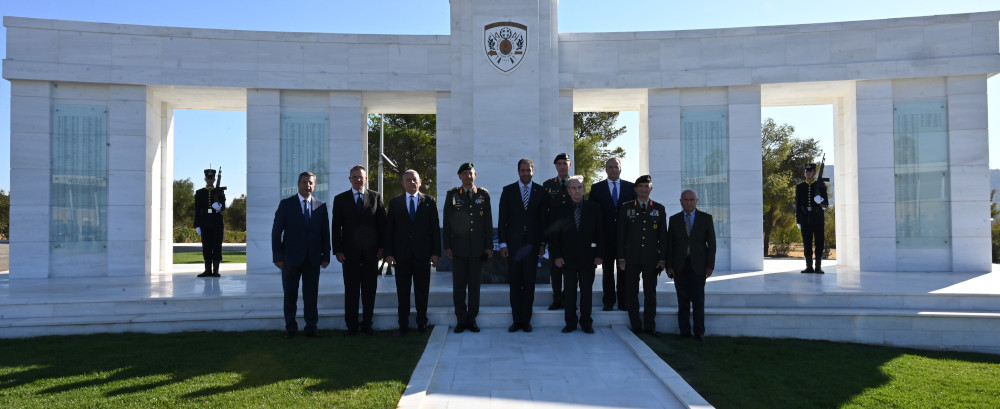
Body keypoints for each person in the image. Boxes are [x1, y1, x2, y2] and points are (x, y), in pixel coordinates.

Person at [271, 171, 331, 338]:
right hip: (290, 260)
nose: (308, 186)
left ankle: (311, 327)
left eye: (311, 183)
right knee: (290, 295)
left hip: (313, 259)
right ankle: (291, 328)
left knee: (311, 296)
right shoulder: (286, 204)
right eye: (304, 182)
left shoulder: (321, 205)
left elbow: (325, 233)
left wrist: (326, 255)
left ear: (315, 185)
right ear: (298, 184)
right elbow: (276, 232)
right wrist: (277, 257)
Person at [384, 170, 441, 334]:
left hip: (423, 255)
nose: (411, 183)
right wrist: (388, 253)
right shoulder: (395, 203)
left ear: (420, 182)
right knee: (402, 291)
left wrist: (436, 253)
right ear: (403, 183)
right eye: (408, 180)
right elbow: (389, 230)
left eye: (414, 180)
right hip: (401, 256)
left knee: (422, 291)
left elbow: (435, 229)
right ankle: (403, 323)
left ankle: (422, 322)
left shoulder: (429, 201)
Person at [332, 165, 386, 335]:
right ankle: (352, 325)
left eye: (361, 177)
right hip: (349, 254)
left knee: (370, 291)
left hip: (372, 254)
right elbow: (335, 227)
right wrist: (337, 250)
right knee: (351, 291)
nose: (358, 180)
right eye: (354, 177)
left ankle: (367, 324)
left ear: (366, 179)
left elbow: (382, 226)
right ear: (350, 179)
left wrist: (382, 248)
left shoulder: (376, 197)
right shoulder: (340, 199)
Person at [498, 158, 548, 333]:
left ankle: (526, 320)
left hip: (533, 246)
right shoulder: (508, 191)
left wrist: (543, 243)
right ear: (518, 171)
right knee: (514, 282)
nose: (526, 173)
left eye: (529, 170)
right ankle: (516, 319)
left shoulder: (541, 191)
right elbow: (502, 219)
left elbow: (543, 220)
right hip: (513, 246)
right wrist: (503, 243)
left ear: (533, 171)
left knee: (529, 283)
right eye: (523, 170)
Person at [442, 162, 493, 333]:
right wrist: (447, 246)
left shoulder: (483, 195)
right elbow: (447, 222)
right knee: (459, 286)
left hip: (477, 249)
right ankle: (461, 319)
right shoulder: (453, 195)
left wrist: (489, 246)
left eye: (470, 173)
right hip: (458, 248)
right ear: (460, 176)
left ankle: (472, 319)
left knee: (474, 286)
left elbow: (488, 222)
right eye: (464, 173)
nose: (468, 176)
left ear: (475, 175)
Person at [550, 176, 603, 334]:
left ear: (584, 189)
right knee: (570, 291)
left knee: (587, 292)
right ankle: (570, 323)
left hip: (589, 258)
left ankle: (586, 323)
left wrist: (599, 253)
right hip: (568, 259)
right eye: (573, 188)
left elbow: (600, 234)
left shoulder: (595, 208)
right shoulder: (560, 209)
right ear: (568, 190)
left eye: (579, 187)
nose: (577, 191)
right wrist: (557, 256)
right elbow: (555, 236)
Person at [617, 175, 667, 336]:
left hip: (651, 259)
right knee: (631, 292)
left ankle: (650, 327)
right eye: (641, 186)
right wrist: (621, 258)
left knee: (650, 293)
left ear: (651, 189)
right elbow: (621, 235)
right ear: (635, 189)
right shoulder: (626, 207)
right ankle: (636, 326)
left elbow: (663, 237)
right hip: (631, 258)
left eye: (647, 186)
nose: (644, 189)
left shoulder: (658, 208)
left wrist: (662, 259)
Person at [666, 189, 716, 342]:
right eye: (685, 200)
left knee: (698, 300)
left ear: (696, 201)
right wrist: (669, 266)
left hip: (699, 266)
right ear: (681, 201)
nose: (688, 202)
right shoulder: (674, 220)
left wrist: (710, 265)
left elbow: (712, 244)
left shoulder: (706, 218)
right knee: (683, 301)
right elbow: (669, 245)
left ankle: (699, 332)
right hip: (679, 266)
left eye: (691, 200)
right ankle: (684, 331)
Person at [589, 157, 636, 311]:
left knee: (624, 271)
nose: (613, 169)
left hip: (626, 239)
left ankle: (623, 302)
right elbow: (593, 216)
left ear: (620, 168)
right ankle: (608, 302)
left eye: (616, 166)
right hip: (605, 238)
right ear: (606, 169)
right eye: (610, 167)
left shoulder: (631, 188)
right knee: (607, 271)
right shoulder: (597, 188)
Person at [541, 153, 573, 310]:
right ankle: (557, 299)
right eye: (559, 163)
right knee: (555, 270)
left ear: (570, 165)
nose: (562, 166)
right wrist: (543, 240)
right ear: (555, 166)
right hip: (554, 234)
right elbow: (543, 213)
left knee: (571, 269)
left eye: (565, 163)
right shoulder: (548, 185)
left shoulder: (576, 183)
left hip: (572, 234)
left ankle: (569, 298)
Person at [795, 163, 829, 273]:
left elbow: (826, 204)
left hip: (818, 218)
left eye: (810, 171)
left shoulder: (821, 185)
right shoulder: (800, 187)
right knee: (806, 243)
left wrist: (821, 201)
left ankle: (818, 267)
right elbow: (798, 205)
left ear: (814, 173)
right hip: (805, 218)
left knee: (819, 243)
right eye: (806, 171)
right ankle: (809, 267)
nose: (808, 173)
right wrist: (798, 220)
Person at [194, 168, 226, 277]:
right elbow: (197, 209)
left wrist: (219, 207)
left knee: (217, 246)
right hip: (205, 223)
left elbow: (224, 207)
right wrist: (197, 224)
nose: (210, 180)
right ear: (205, 179)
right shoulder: (199, 193)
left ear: (214, 179)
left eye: (212, 178)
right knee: (206, 246)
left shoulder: (220, 191)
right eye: (208, 178)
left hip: (217, 223)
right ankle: (207, 270)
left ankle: (215, 270)